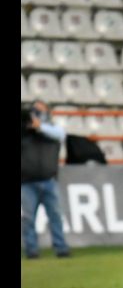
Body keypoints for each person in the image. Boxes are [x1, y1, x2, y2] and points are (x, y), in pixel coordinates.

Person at [21, 100, 71, 259]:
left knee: (55, 216)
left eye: (41, 111)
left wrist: (40, 127)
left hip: (49, 180)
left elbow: (61, 134)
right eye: (35, 111)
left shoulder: (52, 129)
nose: (37, 114)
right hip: (27, 182)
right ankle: (31, 250)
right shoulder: (24, 132)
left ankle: (61, 248)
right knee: (28, 218)